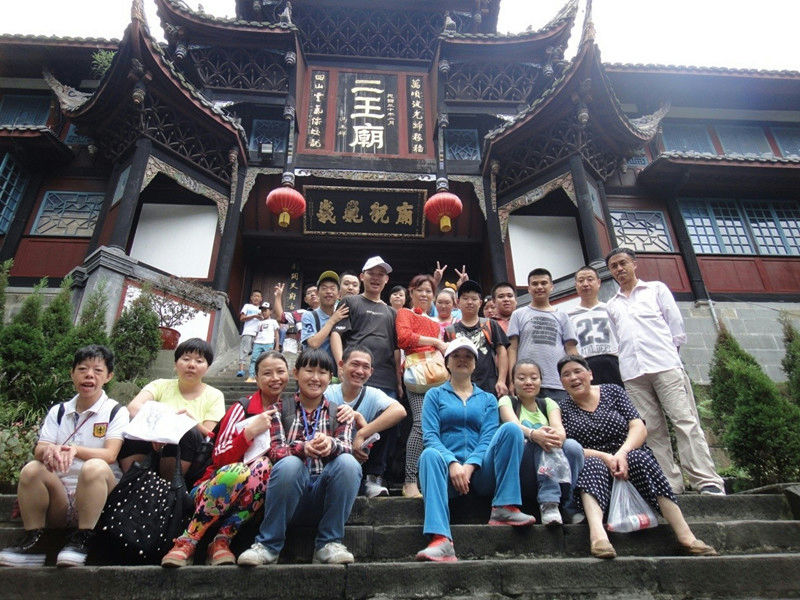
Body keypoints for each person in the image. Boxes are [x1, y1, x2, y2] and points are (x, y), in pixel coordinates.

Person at [556, 355, 717, 559]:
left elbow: (637, 426)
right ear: (561, 382)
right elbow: (568, 446)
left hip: (628, 455)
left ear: (590, 374)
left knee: (639, 458)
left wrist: (622, 453)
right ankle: (598, 537)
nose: (573, 378)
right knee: (591, 465)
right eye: (566, 375)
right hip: (594, 465)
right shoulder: (562, 408)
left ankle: (686, 536)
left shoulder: (613, 392)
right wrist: (606, 457)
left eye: (578, 371)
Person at [605, 248, 725, 495]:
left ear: (634, 264)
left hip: (664, 365)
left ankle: (705, 480)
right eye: (614, 266)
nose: (619, 269)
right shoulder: (612, 305)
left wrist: (671, 356)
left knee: (685, 421)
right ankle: (669, 483)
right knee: (651, 429)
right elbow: (617, 340)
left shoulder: (656, 289)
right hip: (633, 373)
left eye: (623, 263)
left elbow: (676, 327)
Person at [0, 345, 129, 568]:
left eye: (98, 370)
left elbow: (110, 454)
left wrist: (75, 450)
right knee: (31, 469)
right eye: (82, 369)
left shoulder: (116, 411)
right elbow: (40, 448)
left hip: (96, 499)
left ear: (108, 376)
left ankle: (83, 539)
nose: (89, 375)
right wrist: (48, 451)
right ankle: (35, 542)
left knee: (94, 466)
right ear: (72, 374)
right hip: (59, 499)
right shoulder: (59, 411)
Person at [161, 351, 289, 567]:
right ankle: (187, 540)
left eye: (280, 372)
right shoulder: (242, 408)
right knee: (238, 471)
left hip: (252, 495)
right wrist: (249, 432)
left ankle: (222, 540)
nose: (275, 378)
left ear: (289, 374)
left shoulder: (289, 410)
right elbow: (220, 458)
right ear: (257, 378)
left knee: (265, 466)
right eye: (267, 373)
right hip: (214, 486)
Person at [237, 348, 361, 566]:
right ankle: (268, 545)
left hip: (324, 496)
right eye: (309, 371)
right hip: (288, 495)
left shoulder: (340, 413)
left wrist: (331, 444)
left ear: (331, 377)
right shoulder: (277, 410)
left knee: (348, 463)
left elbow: (347, 448)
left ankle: (329, 543)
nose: (315, 378)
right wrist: (302, 448)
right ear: (296, 373)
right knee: (290, 464)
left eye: (322, 372)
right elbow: (274, 451)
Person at [416, 339, 535, 562]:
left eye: (468, 356)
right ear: (447, 363)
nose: (462, 360)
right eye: (456, 356)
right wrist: (452, 463)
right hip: (445, 475)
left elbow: (487, 439)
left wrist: (470, 466)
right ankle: (441, 539)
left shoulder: (488, 399)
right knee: (428, 454)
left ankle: (504, 506)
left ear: (475, 364)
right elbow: (430, 436)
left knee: (511, 429)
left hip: (480, 475)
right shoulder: (434, 395)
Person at [120, 338, 225, 486]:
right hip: (151, 447)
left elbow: (209, 434)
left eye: (199, 361)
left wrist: (189, 422)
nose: (191, 365)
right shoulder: (160, 385)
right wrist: (158, 430)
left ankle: (170, 489)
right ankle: (132, 485)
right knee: (135, 429)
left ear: (207, 367)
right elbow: (133, 407)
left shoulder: (215, 395)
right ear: (176, 364)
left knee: (187, 432)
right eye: (186, 359)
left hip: (189, 457)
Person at [498, 360, 584, 525]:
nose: (528, 382)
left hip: (554, 465)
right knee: (538, 441)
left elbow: (560, 431)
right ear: (513, 382)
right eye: (521, 378)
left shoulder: (548, 403)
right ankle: (548, 502)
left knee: (573, 447)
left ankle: (568, 503)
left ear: (540, 381)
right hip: (524, 468)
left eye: (534, 378)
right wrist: (534, 435)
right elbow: (513, 424)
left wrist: (550, 436)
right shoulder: (507, 401)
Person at [326, 346, 407, 497]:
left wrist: (362, 432)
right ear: (341, 365)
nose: (360, 371)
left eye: (365, 367)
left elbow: (400, 411)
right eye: (355, 364)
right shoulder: (328, 393)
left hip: (364, 458)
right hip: (333, 458)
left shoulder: (372, 394)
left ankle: (373, 477)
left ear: (371, 372)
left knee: (390, 418)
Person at [396, 273, 448, 498]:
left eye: (429, 291)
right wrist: (435, 341)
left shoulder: (435, 322)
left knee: (435, 426)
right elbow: (403, 338)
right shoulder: (404, 313)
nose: (425, 294)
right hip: (416, 374)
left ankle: (429, 478)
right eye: (420, 290)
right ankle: (409, 481)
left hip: (437, 375)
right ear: (411, 292)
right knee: (419, 423)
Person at [331, 256, 400, 401]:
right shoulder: (350, 301)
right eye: (371, 273)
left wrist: (398, 382)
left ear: (386, 279)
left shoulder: (392, 312)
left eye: (380, 274)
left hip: (386, 380)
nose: (376, 278)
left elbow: (396, 349)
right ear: (362, 276)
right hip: (356, 375)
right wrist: (340, 365)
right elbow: (336, 334)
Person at [507, 268, 578, 403]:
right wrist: (512, 380)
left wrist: (577, 374)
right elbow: (512, 348)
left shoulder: (562, 316)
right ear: (529, 289)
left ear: (551, 286)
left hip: (558, 383)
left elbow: (571, 348)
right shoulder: (518, 314)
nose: (539, 287)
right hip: (527, 383)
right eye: (535, 284)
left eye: (544, 283)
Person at [443, 280, 509, 397]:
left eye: (474, 299)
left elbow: (502, 351)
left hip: (489, 386)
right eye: (465, 298)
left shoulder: (490, 324)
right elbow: (447, 360)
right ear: (457, 302)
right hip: (459, 388)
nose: (470, 302)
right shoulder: (450, 331)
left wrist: (501, 380)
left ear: (480, 302)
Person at [567, 266, 623, 386]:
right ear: (576, 285)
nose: (585, 284)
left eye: (590, 279)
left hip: (613, 362)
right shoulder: (569, 316)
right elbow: (570, 346)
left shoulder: (610, 309)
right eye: (581, 281)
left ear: (598, 282)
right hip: (585, 364)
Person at [301, 270, 350, 370]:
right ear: (317, 293)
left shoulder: (343, 314)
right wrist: (332, 320)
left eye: (332, 288)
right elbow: (313, 344)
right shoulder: (309, 316)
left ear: (339, 294)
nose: (328, 291)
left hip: (338, 371)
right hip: (316, 370)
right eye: (324, 288)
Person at [247, 302, 280, 382]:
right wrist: (253, 343)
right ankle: (251, 376)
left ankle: (268, 376)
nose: (263, 312)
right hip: (258, 343)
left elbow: (276, 334)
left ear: (270, 311)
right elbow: (257, 333)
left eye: (265, 310)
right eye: (262, 311)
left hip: (268, 343)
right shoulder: (259, 322)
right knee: (254, 359)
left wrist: (277, 346)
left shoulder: (273, 321)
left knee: (268, 360)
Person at [237, 289, 262, 377]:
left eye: (258, 296)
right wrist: (254, 316)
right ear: (251, 298)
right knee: (244, 350)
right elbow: (242, 318)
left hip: (258, 334)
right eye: (254, 296)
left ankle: (255, 371)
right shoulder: (247, 306)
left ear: (261, 299)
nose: (256, 298)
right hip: (248, 332)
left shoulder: (262, 309)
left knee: (257, 354)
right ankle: (241, 370)